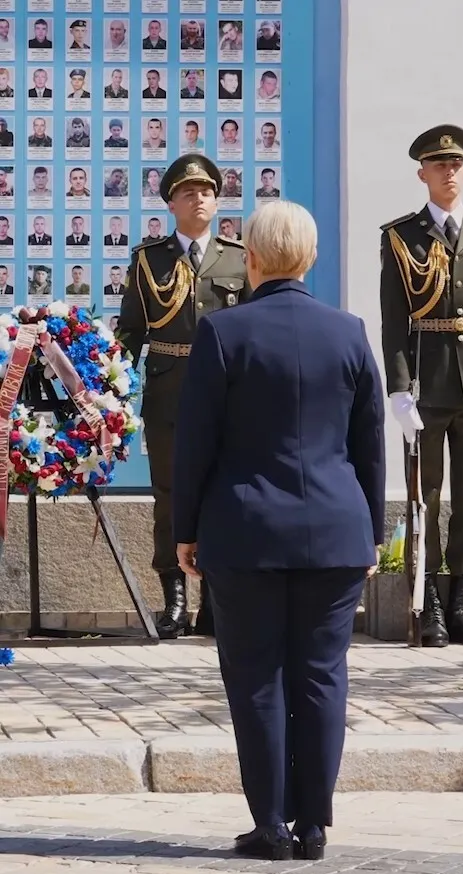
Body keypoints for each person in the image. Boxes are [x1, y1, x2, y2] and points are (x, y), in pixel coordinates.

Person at [172, 201, 385, 861]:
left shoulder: (223, 333)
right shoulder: (347, 332)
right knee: (322, 674)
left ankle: (269, 822)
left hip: (246, 530)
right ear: (311, 258)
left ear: (252, 259)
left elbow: (195, 443)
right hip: (334, 531)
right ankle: (314, 823)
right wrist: (372, 532)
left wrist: (184, 531)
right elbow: (368, 442)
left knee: (256, 676)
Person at [380, 124, 463, 649]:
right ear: (423, 173)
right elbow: (395, 319)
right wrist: (398, 388)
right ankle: (428, 603)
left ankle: (462, 604)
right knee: (426, 499)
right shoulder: (401, 236)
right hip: (427, 381)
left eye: (456, 164)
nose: (449, 172)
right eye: (439, 165)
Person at [119, 153, 250, 640]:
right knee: (170, 497)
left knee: (221, 494)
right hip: (169, 392)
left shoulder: (239, 257)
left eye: (207, 192)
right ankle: (173, 598)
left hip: (225, 396)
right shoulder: (149, 259)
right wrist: (112, 389)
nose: (199, 199)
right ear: (171, 203)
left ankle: (215, 600)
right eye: (189, 192)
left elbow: (254, 332)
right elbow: (131, 331)